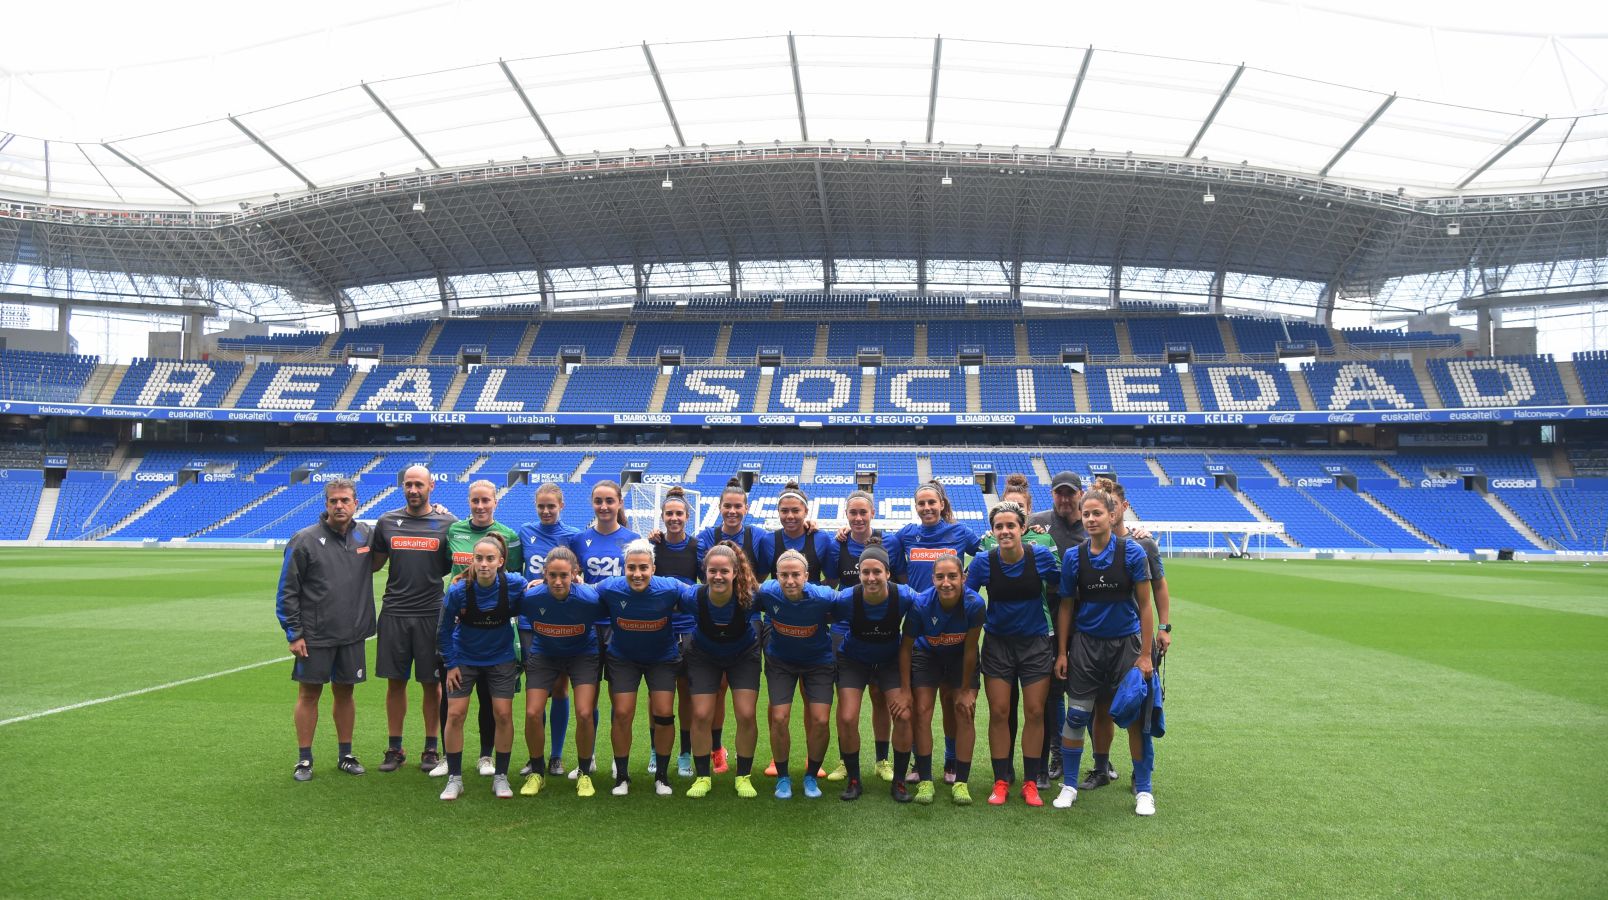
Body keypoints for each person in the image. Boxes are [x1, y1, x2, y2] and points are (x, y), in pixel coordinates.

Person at [1055, 488, 1157, 816]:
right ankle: (1069, 785)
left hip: (1126, 646)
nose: (1091, 519)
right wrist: (1062, 652)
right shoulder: (1074, 557)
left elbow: (1145, 605)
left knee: (1136, 718)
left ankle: (1144, 789)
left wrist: (1144, 654)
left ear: (1111, 516)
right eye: (1086, 514)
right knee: (1077, 715)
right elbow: (1066, 608)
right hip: (1086, 646)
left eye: (1097, 513)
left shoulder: (1132, 553)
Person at [278, 477, 376, 781]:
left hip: (352, 633)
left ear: (356, 503)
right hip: (315, 635)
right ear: (326, 504)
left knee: (345, 693)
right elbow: (287, 591)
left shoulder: (366, 536)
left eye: (345, 500)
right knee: (309, 694)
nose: (339, 505)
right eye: (334, 501)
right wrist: (294, 633)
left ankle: (345, 754)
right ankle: (304, 759)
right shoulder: (304, 540)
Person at [1078, 477, 1172, 794]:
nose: (1106, 511)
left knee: (1138, 708)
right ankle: (1101, 767)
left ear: (1121, 507)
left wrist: (1164, 627)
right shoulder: (1088, 541)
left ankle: (1140, 775)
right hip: (1097, 639)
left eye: (1112, 504)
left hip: (1135, 639)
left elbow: (1158, 586)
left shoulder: (1143, 544)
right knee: (1101, 707)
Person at [967, 500, 1061, 807]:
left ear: (1023, 528)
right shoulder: (984, 562)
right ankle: (1001, 781)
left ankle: (1031, 782)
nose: (1005, 531)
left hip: (1035, 644)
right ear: (992, 532)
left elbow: (1069, 586)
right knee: (1000, 712)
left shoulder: (1041, 556)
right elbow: (965, 597)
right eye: (999, 527)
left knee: (1035, 712)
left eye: (1011, 525)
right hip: (997, 645)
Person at [892, 480, 981, 785]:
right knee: (921, 704)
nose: (927, 508)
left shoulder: (960, 533)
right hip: (921, 628)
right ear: (915, 507)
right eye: (922, 504)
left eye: (932, 503)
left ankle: (952, 760)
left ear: (942, 504)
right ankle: (920, 762)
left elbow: (988, 554)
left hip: (955, 627)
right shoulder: (906, 535)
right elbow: (878, 551)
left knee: (950, 702)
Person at [369, 464, 456, 774]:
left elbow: (453, 565)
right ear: (402, 486)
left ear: (431, 486)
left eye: (419, 484)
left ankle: (431, 748)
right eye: (408, 484)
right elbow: (373, 563)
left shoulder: (448, 523)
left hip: (432, 613)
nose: (413, 490)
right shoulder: (387, 522)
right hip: (394, 612)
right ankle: (395, 747)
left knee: (432, 684)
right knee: (396, 682)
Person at [594, 538, 695, 796]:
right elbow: (581, 591)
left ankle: (662, 776)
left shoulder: (669, 588)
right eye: (631, 568)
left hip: (662, 658)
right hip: (623, 658)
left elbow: (699, 594)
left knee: (663, 714)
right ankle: (622, 777)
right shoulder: (610, 588)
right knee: (622, 713)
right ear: (623, 568)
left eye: (643, 568)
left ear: (653, 568)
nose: (637, 574)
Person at [439, 479, 523, 779]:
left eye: (486, 500)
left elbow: (524, 590)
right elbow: (443, 629)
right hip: (463, 644)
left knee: (498, 709)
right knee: (453, 710)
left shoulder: (512, 571)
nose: (480, 505)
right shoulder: (458, 585)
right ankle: (452, 768)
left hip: (498, 651)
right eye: (475, 500)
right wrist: (450, 663)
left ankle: (490, 762)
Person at [829, 536, 919, 802]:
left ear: (888, 573)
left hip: (890, 659)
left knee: (902, 715)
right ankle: (855, 779)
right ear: (858, 573)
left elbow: (929, 608)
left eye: (876, 571)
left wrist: (906, 689)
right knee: (846, 717)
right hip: (854, 660)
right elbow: (819, 611)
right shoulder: (847, 598)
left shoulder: (903, 596)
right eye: (865, 572)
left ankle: (899, 781)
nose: (870, 577)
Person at [677, 542, 764, 798]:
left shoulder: (751, 597)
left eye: (724, 571)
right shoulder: (693, 597)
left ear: (735, 572)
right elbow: (662, 593)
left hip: (743, 656)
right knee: (702, 715)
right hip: (704, 656)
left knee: (746, 714)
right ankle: (703, 776)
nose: (718, 576)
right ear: (704, 572)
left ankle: (743, 776)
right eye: (712, 571)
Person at [517, 546, 604, 798]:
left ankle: (584, 774)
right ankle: (536, 773)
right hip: (544, 654)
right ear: (544, 574)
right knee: (533, 712)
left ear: (575, 574)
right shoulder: (531, 598)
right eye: (552, 575)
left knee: (585, 712)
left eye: (564, 575)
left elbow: (612, 612)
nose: (557, 581)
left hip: (582, 655)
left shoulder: (589, 598)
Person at [566, 479, 640, 777]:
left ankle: (617, 757)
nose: (604, 506)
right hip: (587, 625)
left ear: (619, 502)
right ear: (592, 503)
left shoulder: (633, 539)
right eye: (599, 501)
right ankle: (589, 755)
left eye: (610, 500)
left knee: (618, 697)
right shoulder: (579, 540)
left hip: (620, 625)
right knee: (588, 696)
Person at [898, 554, 985, 805]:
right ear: (932, 578)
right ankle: (925, 780)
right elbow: (906, 647)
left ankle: (961, 781)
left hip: (960, 658)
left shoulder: (975, 603)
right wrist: (905, 689)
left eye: (952, 576)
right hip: (927, 656)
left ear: (963, 578)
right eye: (940, 577)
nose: (946, 582)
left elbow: (970, 649)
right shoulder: (921, 604)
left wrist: (967, 689)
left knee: (964, 710)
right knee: (922, 711)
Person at [826, 490, 900, 785]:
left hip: (882, 633)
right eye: (853, 513)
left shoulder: (890, 542)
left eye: (863, 513)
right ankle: (845, 760)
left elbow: (899, 584)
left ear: (872, 513)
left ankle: (882, 760)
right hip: (844, 635)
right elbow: (831, 587)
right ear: (846, 515)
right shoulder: (837, 545)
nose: (858, 518)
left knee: (881, 698)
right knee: (846, 703)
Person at [759, 550, 838, 800]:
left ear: (807, 576)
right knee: (780, 717)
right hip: (781, 662)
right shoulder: (767, 592)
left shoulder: (824, 596)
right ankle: (783, 777)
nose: (790, 580)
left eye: (796, 575)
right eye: (784, 575)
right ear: (776, 576)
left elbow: (849, 606)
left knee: (821, 720)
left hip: (818, 662)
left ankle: (811, 775)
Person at [517, 482, 580, 779]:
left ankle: (556, 756)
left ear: (561, 506)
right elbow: (517, 572)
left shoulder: (573, 537)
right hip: (531, 622)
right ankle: (536, 756)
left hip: (562, 620)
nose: (545, 511)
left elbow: (578, 575)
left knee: (559, 688)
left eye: (551, 506)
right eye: (541, 506)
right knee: (536, 689)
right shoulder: (525, 532)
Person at [649, 486, 706, 779]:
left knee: (685, 693)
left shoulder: (697, 547)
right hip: (658, 629)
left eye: (679, 514)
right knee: (657, 694)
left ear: (687, 516)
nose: (674, 518)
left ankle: (684, 753)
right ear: (662, 517)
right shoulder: (653, 547)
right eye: (669, 513)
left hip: (687, 631)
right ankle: (654, 749)